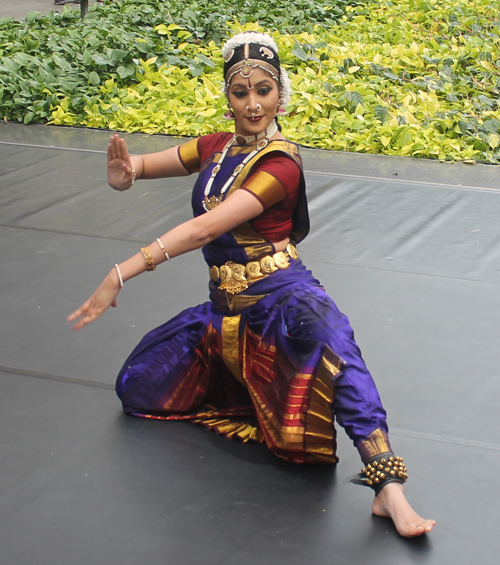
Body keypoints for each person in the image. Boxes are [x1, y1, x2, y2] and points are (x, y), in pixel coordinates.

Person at [68, 32, 435, 538]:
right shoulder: (217, 147)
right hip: (225, 310)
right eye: (241, 93)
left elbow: (205, 228)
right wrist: (126, 171)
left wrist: (120, 273)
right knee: (138, 386)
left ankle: (389, 492)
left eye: (264, 90)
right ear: (227, 98)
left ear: (280, 93)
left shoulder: (280, 162)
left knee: (336, 350)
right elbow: (151, 164)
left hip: (283, 298)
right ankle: (259, 399)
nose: (253, 103)